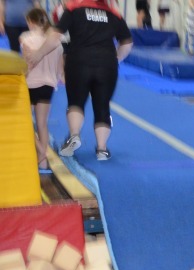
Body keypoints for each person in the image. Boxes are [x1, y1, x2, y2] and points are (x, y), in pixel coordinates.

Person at [26, 0, 133, 161]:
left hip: (79, 61)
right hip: (106, 64)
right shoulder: (113, 13)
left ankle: (74, 135)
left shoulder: (74, 8)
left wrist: (39, 54)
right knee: (102, 106)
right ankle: (102, 149)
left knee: (76, 102)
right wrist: (116, 58)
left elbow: (56, 35)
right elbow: (127, 42)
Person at [20, 7, 63, 170]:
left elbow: (27, 64)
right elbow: (59, 70)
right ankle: (42, 161)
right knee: (42, 125)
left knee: (25, 123)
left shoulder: (26, 38)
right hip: (48, 86)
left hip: (31, 85)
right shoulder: (55, 42)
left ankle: (41, 151)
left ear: (31, 22)